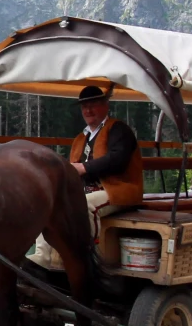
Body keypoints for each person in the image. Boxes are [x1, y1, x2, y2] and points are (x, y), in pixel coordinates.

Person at [29, 86, 143, 269]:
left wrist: (84, 167)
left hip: (119, 189)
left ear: (106, 106)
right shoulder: (80, 138)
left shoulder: (119, 130)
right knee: (49, 203)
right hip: (87, 191)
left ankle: (88, 259)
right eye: (85, 107)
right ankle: (44, 256)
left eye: (94, 105)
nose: (88, 110)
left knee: (86, 206)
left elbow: (118, 159)